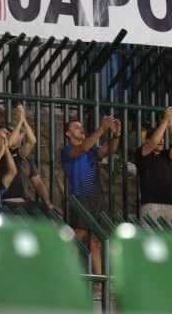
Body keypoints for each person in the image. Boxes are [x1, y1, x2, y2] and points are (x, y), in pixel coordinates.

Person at [61, 114, 121, 296]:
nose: (81, 128)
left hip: (97, 198)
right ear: (68, 133)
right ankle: (66, 276)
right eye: (76, 127)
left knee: (97, 241)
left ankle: (99, 283)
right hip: (80, 197)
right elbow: (83, 147)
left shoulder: (91, 150)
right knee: (77, 235)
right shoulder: (67, 150)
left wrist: (116, 135)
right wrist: (102, 129)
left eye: (81, 126)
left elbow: (108, 150)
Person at [0, 104, 59, 214]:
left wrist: (23, 119)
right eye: (3, 134)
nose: (7, 135)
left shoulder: (19, 154)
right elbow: (8, 144)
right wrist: (20, 121)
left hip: (23, 203)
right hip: (5, 203)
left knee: (50, 217)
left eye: (9, 133)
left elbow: (32, 141)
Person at [136, 107, 172, 228]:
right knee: (151, 243)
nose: (161, 140)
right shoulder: (142, 152)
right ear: (147, 140)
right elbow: (153, 142)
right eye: (159, 137)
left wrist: (171, 125)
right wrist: (164, 121)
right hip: (151, 205)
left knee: (171, 244)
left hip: (169, 204)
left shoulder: (165, 155)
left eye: (163, 137)